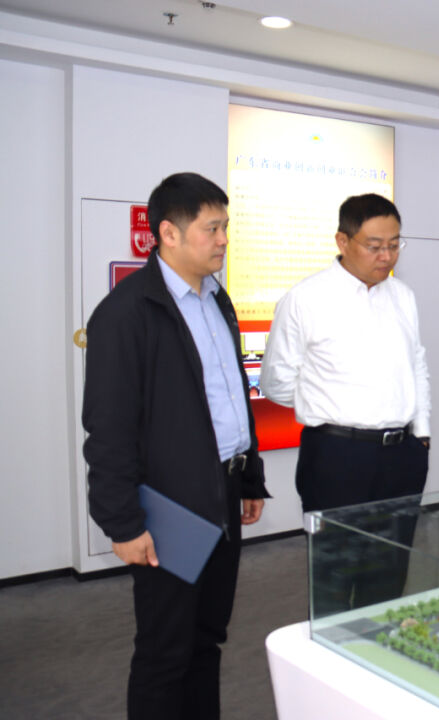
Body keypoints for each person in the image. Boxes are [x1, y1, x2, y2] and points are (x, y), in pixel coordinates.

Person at [83, 172, 269, 720]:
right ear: (168, 232)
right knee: (165, 651)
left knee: (207, 638)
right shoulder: (126, 313)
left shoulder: (216, 300)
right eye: (212, 228)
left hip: (223, 491)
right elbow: (109, 430)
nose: (223, 240)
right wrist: (123, 523)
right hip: (171, 507)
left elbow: (231, 396)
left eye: (226, 226)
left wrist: (250, 477)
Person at [260, 193, 429, 612]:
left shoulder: (403, 296)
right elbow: (276, 381)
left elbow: (417, 365)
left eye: (394, 244)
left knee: (389, 575)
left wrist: (421, 433)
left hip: (402, 456)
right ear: (342, 241)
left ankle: (379, 647)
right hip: (337, 456)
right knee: (334, 576)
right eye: (374, 246)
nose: (386, 256)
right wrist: (328, 403)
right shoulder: (306, 299)